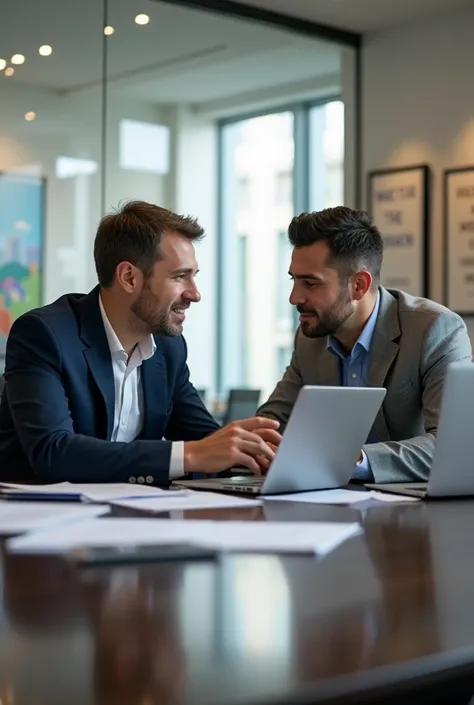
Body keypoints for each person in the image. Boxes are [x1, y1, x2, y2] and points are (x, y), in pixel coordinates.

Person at [0, 201, 280, 484]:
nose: (195, 294)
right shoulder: (45, 334)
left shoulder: (169, 348)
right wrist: (190, 455)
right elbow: (54, 453)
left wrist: (258, 453)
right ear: (129, 277)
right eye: (180, 276)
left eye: (193, 276)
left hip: (131, 515)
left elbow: (206, 442)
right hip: (39, 518)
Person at [257, 206, 472, 483]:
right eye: (294, 280)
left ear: (359, 285)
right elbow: (272, 424)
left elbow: (452, 446)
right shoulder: (310, 338)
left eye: (310, 284)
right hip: (328, 505)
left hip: (413, 514)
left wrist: (354, 460)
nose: (294, 297)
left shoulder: (435, 329)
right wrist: (254, 443)